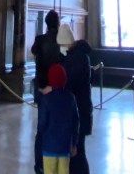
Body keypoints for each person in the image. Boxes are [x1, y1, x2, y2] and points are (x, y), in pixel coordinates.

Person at [58, 25, 92, 174]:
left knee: (77, 150)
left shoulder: (77, 58)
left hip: (78, 109)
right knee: (75, 149)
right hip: (78, 108)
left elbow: (71, 83)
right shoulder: (75, 55)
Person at [32, 10, 62, 173]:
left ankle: (40, 164)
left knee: (42, 127)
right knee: (58, 126)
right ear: (57, 22)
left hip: (42, 88)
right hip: (57, 89)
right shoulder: (61, 40)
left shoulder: (40, 40)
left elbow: (34, 51)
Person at [37, 63, 79, 174]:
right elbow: (75, 122)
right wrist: (74, 143)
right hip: (65, 146)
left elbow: (42, 124)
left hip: (49, 145)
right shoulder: (71, 98)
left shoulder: (46, 99)